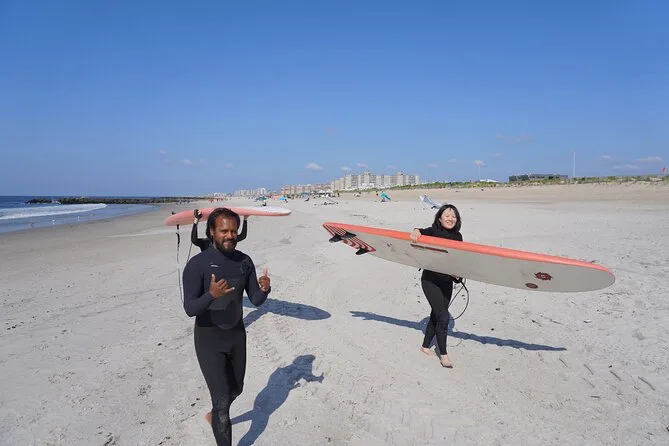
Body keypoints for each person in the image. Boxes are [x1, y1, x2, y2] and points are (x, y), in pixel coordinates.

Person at [182, 207, 271, 445]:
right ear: (211, 232)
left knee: (236, 389)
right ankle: (218, 415)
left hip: (236, 336)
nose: (230, 235)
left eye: (233, 230)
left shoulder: (244, 261)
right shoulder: (197, 265)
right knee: (222, 403)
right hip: (209, 339)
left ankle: (214, 415)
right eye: (224, 231)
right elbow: (190, 308)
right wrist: (211, 295)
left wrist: (265, 289)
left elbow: (255, 299)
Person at [409, 204, 463, 368]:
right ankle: (443, 355)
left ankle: (425, 346)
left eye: (453, 216)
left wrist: (458, 276)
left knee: (436, 315)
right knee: (444, 316)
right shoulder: (433, 231)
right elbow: (420, 231)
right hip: (430, 280)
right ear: (439, 218)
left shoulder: (458, 237)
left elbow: (457, 260)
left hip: (447, 282)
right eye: (447, 215)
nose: (450, 218)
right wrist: (416, 231)